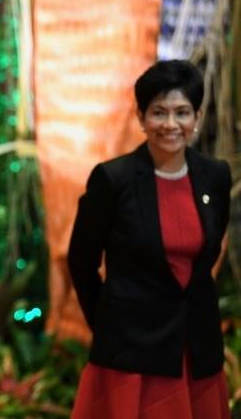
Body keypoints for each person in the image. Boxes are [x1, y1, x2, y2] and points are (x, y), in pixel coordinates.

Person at [68, 60, 231, 419]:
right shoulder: (113, 180)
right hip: (131, 357)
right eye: (159, 112)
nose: (171, 125)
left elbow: (208, 254)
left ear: (197, 118)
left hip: (197, 352)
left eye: (182, 112)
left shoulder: (215, 176)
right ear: (141, 118)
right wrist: (110, 324)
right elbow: (81, 262)